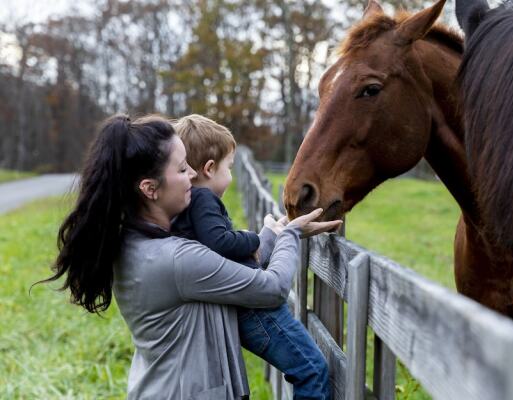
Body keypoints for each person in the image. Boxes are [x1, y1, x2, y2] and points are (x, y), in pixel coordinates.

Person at [43, 114, 341, 399]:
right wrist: (289, 236)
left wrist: (279, 233)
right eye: (183, 168)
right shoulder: (176, 258)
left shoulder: (137, 243)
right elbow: (273, 289)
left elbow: (227, 267)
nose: (193, 175)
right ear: (150, 188)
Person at [172, 114, 331, 399]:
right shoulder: (204, 198)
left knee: (308, 366)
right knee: (312, 368)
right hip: (256, 310)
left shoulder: (187, 205)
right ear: (209, 169)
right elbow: (218, 241)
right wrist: (255, 238)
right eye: (229, 168)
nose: (230, 176)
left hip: (244, 302)